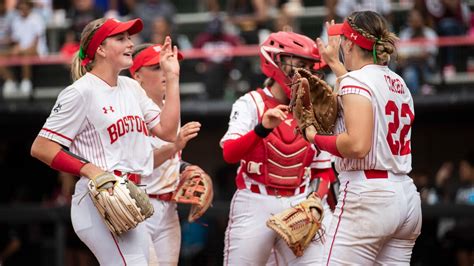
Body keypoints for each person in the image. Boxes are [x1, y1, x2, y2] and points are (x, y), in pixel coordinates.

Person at [30, 17, 181, 265]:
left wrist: (172, 78)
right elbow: (42, 147)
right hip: (97, 198)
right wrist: (91, 170)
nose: (130, 43)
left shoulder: (131, 87)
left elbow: (167, 131)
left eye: (129, 38)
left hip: (130, 195)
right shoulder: (81, 91)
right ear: (100, 49)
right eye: (120, 38)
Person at [307, 11, 422, 264]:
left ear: (348, 43)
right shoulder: (399, 82)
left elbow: (357, 146)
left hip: (368, 196)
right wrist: (336, 66)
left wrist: (315, 138)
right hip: (405, 198)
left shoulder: (355, 81)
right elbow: (363, 90)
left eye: (343, 41)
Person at [220, 31, 336, 265]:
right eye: (299, 64)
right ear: (275, 60)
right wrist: (262, 128)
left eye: (310, 67)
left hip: (300, 202)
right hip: (255, 201)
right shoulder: (250, 102)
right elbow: (229, 154)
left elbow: (324, 172)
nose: (305, 72)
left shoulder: (317, 108)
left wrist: (314, 201)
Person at [129, 43, 201, 266]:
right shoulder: (130, 110)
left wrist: (185, 168)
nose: (165, 72)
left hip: (169, 208)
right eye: (156, 67)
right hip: (138, 206)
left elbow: (169, 158)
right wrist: (175, 146)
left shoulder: (170, 106)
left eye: (166, 65)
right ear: (137, 75)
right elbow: (141, 163)